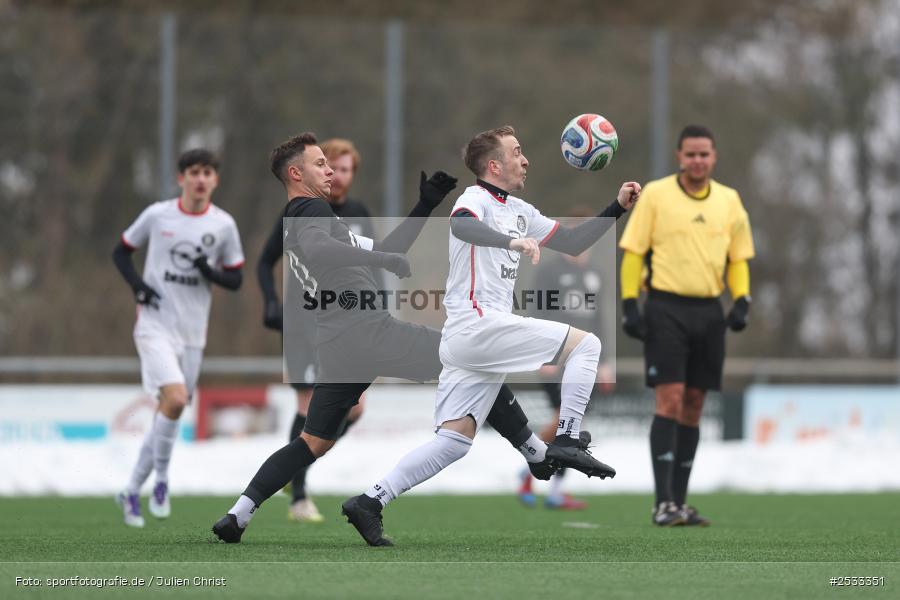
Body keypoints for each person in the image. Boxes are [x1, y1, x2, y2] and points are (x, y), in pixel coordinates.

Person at [212, 132, 599, 544]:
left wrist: (424, 205)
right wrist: (381, 259)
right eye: (320, 163)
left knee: (313, 441)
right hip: (369, 331)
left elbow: (387, 246)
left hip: (340, 344)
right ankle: (536, 455)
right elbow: (326, 250)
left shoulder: (312, 215)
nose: (329, 170)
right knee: (470, 357)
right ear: (295, 173)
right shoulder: (309, 209)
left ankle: (238, 515)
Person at [341, 125, 639, 547]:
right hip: (479, 326)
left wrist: (617, 207)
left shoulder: (521, 208)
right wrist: (511, 242)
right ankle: (567, 437)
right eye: (518, 152)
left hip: (468, 339)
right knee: (587, 345)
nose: (526, 159)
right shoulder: (473, 200)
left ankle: (370, 501)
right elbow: (462, 226)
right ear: (494, 165)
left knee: (453, 442)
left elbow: (573, 241)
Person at [618, 124, 755, 527]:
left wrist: (742, 299)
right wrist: (630, 304)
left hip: (709, 312)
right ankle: (662, 503)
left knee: (694, 406)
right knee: (671, 399)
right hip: (665, 308)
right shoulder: (657, 194)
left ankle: (680, 501)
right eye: (691, 154)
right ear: (680, 156)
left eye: (704, 154)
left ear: (713, 157)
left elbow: (738, 259)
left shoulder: (730, 201)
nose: (698, 160)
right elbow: (633, 252)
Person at [112, 149, 244, 528]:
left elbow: (234, 279)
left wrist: (208, 270)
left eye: (207, 173)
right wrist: (138, 287)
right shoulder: (158, 215)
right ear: (180, 177)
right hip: (154, 326)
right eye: (193, 172)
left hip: (193, 334)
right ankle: (163, 481)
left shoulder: (223, 225)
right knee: (175, 398)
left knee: (170, 410)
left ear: (215, 180)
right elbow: (121, 252)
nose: (200, 179)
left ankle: (131, 489)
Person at [257, 138, 374, 523]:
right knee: (307, 404)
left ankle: (297, 465)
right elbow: (265, 261)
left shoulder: (357, 213)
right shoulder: (299, 211)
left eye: (345, 169)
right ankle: (298, 496)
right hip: (304, 322)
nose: (337, 174)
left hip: (347, 321)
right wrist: (272, 302)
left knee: (355, 408)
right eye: (331, 166)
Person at [516, 207, 616, 511]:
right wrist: (542, 355)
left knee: (571, 423)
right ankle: (531, 468)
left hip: (585, 361)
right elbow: (537, 311)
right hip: (556, 357)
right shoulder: (549, 271)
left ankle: (552, 487)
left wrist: (605, 361)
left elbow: (598, 320)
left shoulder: (595, 274)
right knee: (564, 419)